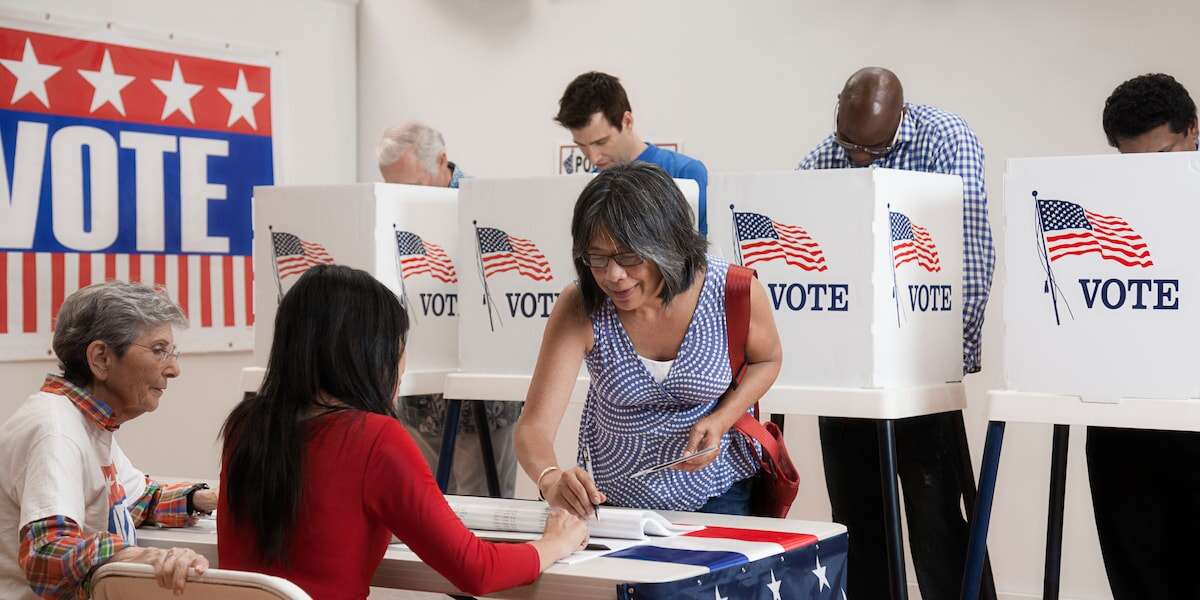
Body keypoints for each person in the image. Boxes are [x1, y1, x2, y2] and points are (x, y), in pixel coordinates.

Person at [217, 264, 586, 599]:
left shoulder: (246, 426)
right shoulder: (374, 439)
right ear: (365, 355)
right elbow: (477, 571)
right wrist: (555, 543)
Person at [797, 67, 996, 600]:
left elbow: (970, 252)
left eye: (875, 147)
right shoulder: (822, 158)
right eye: (850, 143)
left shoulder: (945, 139)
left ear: (901, 119)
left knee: (936, 516)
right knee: (856, 514)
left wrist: (949, 359)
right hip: (845, 369)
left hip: (919, 364)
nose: (859, 156)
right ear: (836, 108)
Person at [515, 162, 782, 517]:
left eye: (630, 256)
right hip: (617, 503)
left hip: (721, 492)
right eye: (597, 258)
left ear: (668, 245)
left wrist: (721, 419)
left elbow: (767, 360)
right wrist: (550, 478)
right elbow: (533, 426)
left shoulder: (732, 291)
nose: (614, 275)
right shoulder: (580, 306)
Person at [0, 281, 217, 599]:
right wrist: (147, 557)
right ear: (101, 358)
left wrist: (208, 499)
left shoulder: (89, 423)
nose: (174, 369)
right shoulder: (56, 431)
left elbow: (138, 501)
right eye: (159, 351)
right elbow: (48, 554)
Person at [1088, 73, 1199, 599]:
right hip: (1125, 410)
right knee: (1134, 570)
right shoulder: (1104, 202)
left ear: (1193, 131)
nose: (1148, 177)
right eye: (1133, 163)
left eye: (1164, 156)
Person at [378, 122, 522, 497]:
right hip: (417, 400)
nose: (400, 196)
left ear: (442, 161)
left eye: (411, 186)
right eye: (391, 187)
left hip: (481, 401)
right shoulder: (389, 212)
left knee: (483, 513)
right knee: (422, 504)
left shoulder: (486, 206)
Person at [554, 71, 712, 235]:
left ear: (627, 121)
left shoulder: (686, 173)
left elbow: (704, 253)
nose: (594, 158)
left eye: (601, 142)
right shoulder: (591, 185)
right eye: (581, 146)